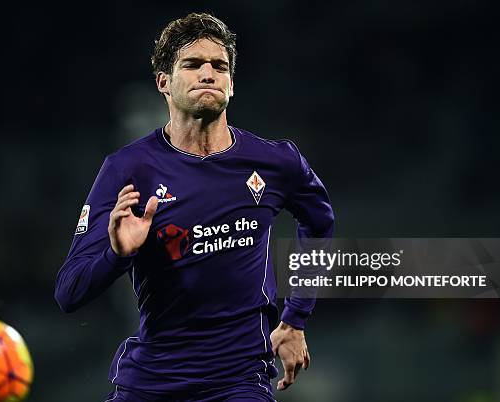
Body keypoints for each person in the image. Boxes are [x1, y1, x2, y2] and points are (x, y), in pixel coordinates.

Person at [55, 12, 334, 402]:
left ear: (231, 85)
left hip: (239, 382)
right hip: (152, 382)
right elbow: (69, 293)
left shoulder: (277, 162)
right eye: (192, 64)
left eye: (219, 66)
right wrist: (117, 254)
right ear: (163, 82)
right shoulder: (127, 169)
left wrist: (295, 318)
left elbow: (320, 225)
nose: (209, 73)